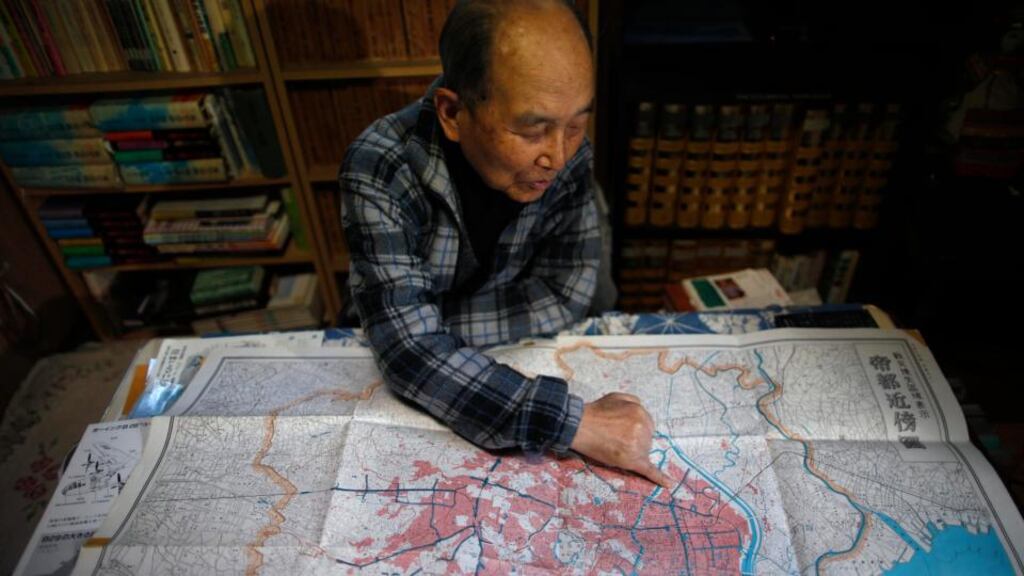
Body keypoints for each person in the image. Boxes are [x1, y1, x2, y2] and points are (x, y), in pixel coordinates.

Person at [339, 0, 672, 489]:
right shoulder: (380, 166)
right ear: (453, 113)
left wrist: (430, 332)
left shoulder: (565, 152)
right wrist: (573, 422)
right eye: (532, 128)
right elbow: (407, 350)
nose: (558, 156)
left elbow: (566, 292)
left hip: (509, 347)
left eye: (577, 124)